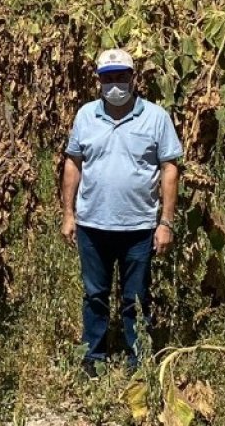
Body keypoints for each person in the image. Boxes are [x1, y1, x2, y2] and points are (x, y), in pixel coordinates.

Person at [60, 48, 183, 378]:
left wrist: (166, 222)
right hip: (92, 223)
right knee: (95, 296)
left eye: (121, 77)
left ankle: (138, 359)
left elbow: (169, 168)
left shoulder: (156, 117)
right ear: (99, 81)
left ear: (133, 78)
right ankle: (93, 356)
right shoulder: (86, 116)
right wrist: (68, 214)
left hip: (139, 225)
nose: (115, 84)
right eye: (108, 78)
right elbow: (73, 163)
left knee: (136, 298)